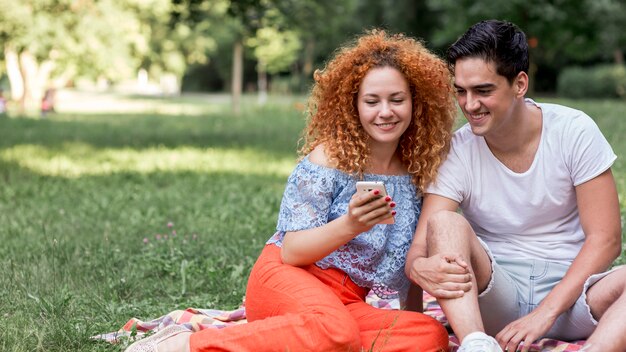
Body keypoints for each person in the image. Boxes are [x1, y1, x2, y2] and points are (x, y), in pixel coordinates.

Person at [125, 30, 456, 352]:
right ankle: (187, 344)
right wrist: (351, 224)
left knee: (428, 335)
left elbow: (411, 266)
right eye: (372, 101)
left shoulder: (418, 173)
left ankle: (309, 342)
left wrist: (411, 321)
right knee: (336, 332)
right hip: (288, 279)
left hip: (347, 302)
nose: (385, 112)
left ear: (417, 102)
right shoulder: (329, 158)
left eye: (397, 99)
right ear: (353, 105)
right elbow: (292, 251)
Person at [405, 19, 626, 352]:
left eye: (483, 91)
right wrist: (420, 267)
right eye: (461, 91)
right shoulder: (458, 151)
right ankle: (477, 344)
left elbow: (606, 240)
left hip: (575, 295)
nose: (469, 105)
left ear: (520, 84)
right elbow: (421, 249)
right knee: (444, 222)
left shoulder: (573, 130)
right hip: (496, 295)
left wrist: (544, 314)